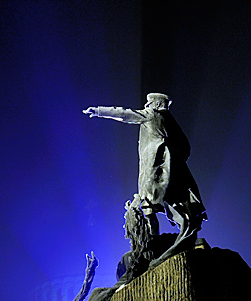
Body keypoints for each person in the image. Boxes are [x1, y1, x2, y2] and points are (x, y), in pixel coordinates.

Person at [83, 93, 206, 241]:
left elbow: (124, 114)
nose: (147, 105)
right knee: (175, 202)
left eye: (150, 102)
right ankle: (186, 232)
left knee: (149, 208)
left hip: (153, 170)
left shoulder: (151, 115)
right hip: (173, 171)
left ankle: (153, 242)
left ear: (156, 104)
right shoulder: (171, 121)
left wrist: (98, 111)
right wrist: (176, 158)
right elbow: (186, 146)